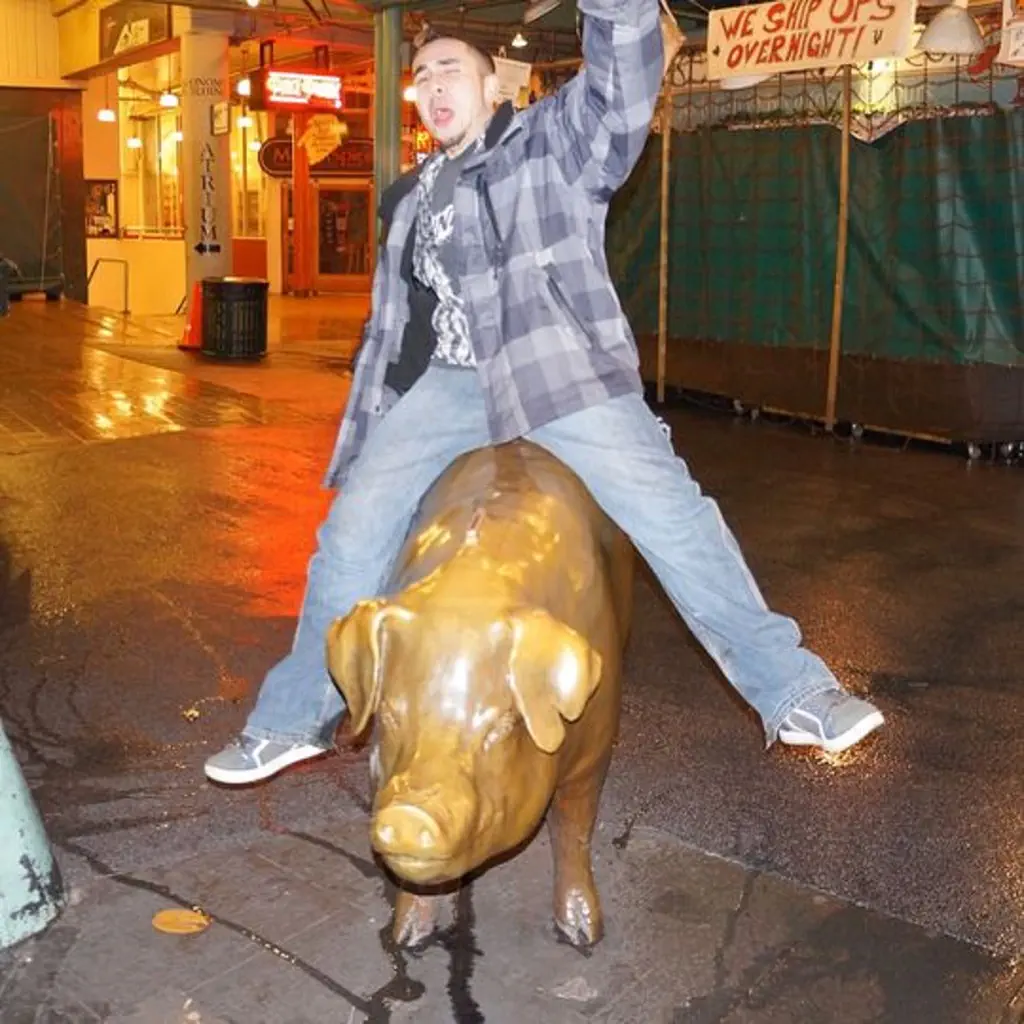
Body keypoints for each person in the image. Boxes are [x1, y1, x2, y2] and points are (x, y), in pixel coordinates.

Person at [204, 0, 883, 786]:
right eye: (421, 76)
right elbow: (397, 330)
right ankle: (294, 720)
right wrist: (379, 423)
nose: (433, 85)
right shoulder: (411, 196)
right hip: (452, 381)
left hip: (557, 367)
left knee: (674, 515)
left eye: (451, 69)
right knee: (349, 535)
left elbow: (621, 82)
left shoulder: (551, 142)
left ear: (495, 86)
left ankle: (793, 692)